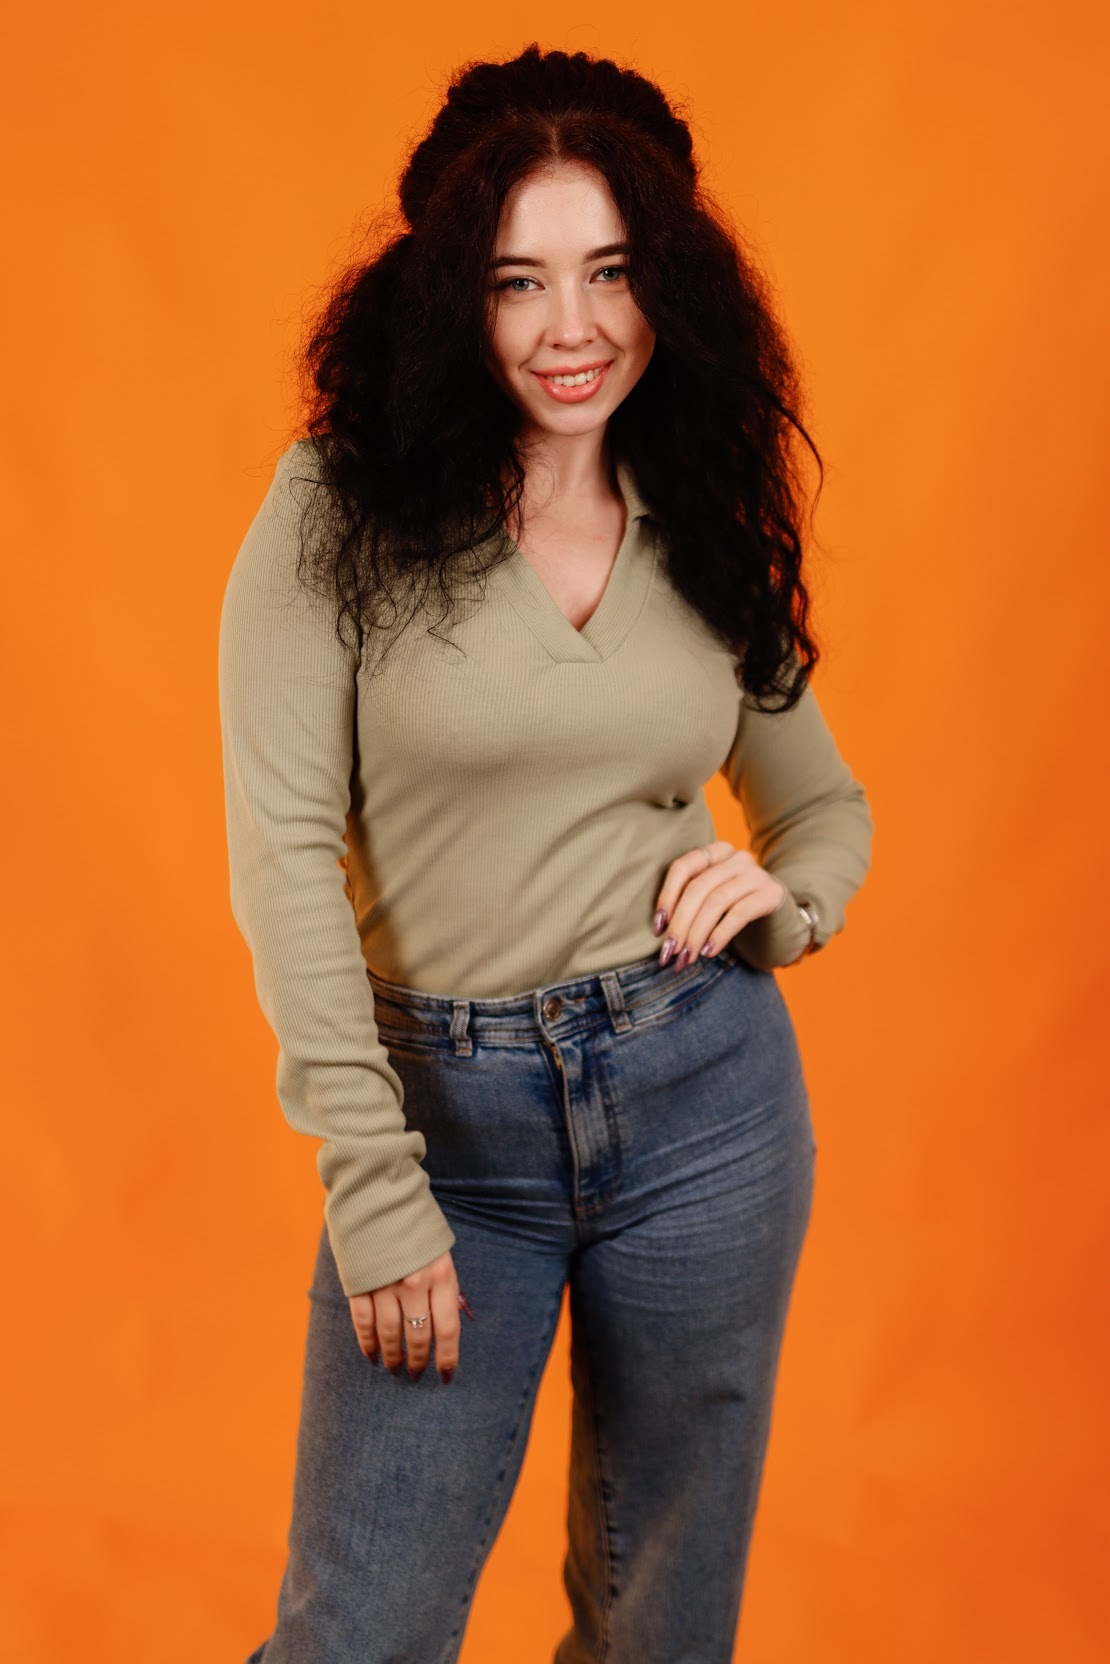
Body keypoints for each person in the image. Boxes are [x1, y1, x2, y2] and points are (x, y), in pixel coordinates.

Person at [218, 41, 873, 1664]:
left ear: (671, 282)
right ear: (452, 294)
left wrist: (785, 903)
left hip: (705, 1101)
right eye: (517, 280)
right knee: (358, 1631)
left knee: (660, 1625)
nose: (570, 326)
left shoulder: (697, 502)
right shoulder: (335, 508)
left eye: (611, 271)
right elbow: (284, 854)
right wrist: (374, 1187)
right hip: (445, 1129)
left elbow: (820, 807)